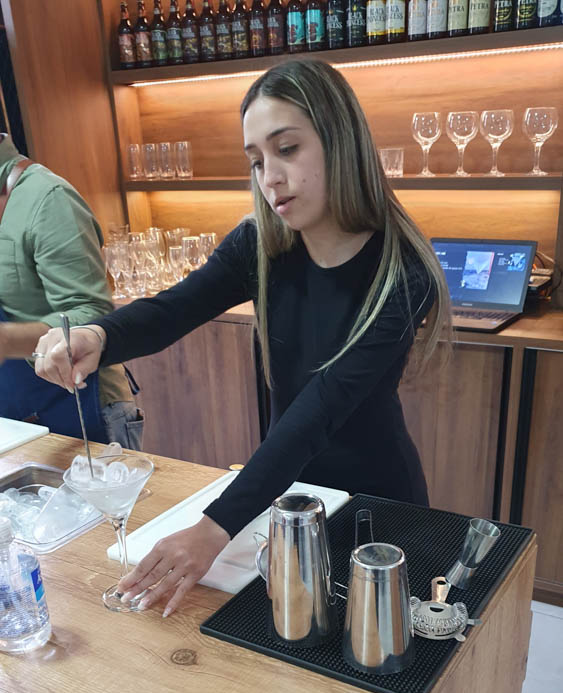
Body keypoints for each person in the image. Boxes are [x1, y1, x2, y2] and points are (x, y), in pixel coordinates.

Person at [35, 60, 451, 618]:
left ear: (341, 141)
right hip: (287, 492)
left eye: (287, 149)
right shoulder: (260, 245)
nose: (269, 177)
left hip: (376, 503)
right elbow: (173, 309)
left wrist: (214, 528)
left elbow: (319, 410)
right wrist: (99, 335)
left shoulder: (402, 274)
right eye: (256, 160)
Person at [0, 132, 144, 449]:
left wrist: (7, 340)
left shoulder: (47, 198)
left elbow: (93, 314)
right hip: (13, 422)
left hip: (84, 410)